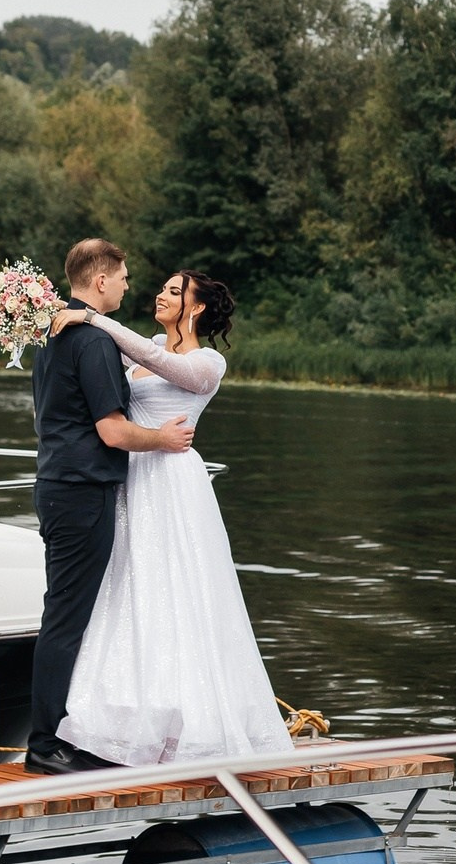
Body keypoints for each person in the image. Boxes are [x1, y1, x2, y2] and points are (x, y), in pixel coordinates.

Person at [51, 268, 294, 767]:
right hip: (131, 477)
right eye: (161, 288)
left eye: (174, 291)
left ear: (198, 307)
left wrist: (94, 319)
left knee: (181, 591)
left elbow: (158, 359)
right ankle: (123, 722)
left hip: (174, 483)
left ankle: (192, 727)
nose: (161, 295)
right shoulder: (131, 346)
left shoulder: (208, 362)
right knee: (132, 591)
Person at [27, 238, 195, 776]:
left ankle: (64, 733)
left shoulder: (52, 337)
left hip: (57, 482)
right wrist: (162, 440)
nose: (127, 284)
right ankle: (46, 743)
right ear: (100, 280)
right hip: (82, 490)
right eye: (122, 276)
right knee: (69, 618)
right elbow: (113, 431)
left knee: (68, 612)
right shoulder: (92, 342)